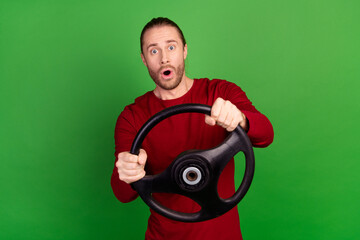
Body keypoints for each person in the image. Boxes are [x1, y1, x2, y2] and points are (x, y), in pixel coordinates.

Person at [111, 17, 274, 240]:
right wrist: (129, 171)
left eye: (171, 47)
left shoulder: (221, 91)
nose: (164, 59)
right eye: (153, 51)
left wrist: (240, 119)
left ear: (185, 50)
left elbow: (266, 135)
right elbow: (122, 193)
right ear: (144, 59)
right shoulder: (132, 117)